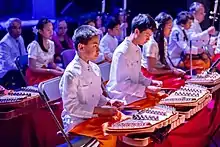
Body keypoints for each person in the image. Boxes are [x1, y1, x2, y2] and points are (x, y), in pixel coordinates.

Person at [60, 25, 124, 147]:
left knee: (123, 122)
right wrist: (100, 110)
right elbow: (71, 107)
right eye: (94, 45)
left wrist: (110, 102)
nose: (98, 49)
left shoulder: (95, 68)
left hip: (95, 116)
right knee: (108, 133)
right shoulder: (71, 73)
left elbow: (98, 97)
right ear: (81, 47)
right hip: (78, 121)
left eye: (98, 45)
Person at [106, 14, 164, 105]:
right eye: (147, 35)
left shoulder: (137, 48)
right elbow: (122, 84)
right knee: (155, 103)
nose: (148, 39)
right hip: (121, 96)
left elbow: (138, 75)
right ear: (137, 31)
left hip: (133, 92)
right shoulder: (123, 52)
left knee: (160, 97)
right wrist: (146, 89)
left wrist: (150, 82)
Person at [141, 12, 186, 89]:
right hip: (149, 75)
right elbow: (151, 70)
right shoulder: (152, 43)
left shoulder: (163, 40)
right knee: (179, 83)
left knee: (185, 78)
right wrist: (171, 71)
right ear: (161, 27)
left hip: (159, 71)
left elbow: (164, 61)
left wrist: (174, 69)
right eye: (169, 27)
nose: (171, 30)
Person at [26, 18, 64, 86]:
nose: (51, 32)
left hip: (46, 72)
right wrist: (50, 71)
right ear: (40, 31)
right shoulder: (34, 46)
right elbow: (32, 68)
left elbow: (52, 64)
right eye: (48, 30)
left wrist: (61, 69)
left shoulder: (51, 44)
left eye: (52, 29)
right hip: (35, 75)